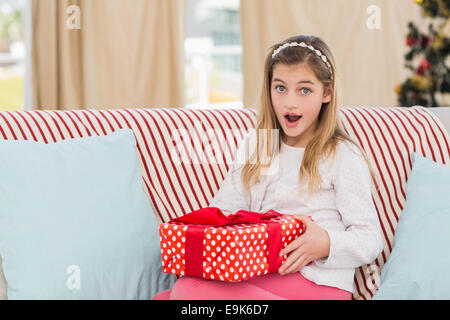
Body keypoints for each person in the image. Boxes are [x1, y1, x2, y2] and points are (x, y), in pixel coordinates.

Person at [152, 34, 383, 300]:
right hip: (264, 275)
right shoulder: (258, 146)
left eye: (305, 90)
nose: (290, 102)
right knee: (167, 297)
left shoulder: (341, 154)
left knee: (185, 291)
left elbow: (369, 238)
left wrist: (326, 243)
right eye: (281, 88)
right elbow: (224, 212)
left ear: (327, 93)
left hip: (319, 284)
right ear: (269, 88)